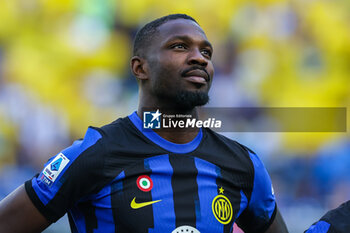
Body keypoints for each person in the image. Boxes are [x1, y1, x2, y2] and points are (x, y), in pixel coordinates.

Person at [0, 14, 288, 233]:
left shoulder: (243, 165)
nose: (199, 58)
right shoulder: (94, 155)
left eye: (206, 52)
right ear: (140, 68)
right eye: (179, 47)